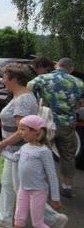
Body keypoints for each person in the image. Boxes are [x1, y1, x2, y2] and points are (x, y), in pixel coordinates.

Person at [0, 64, 67, 228]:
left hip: (19, 150)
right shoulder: (20, 96)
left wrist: (2, 144)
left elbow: (22, 131)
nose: (2, 80)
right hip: (15, 149)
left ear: (14, 79)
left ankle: (53, 218)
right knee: (8, 184)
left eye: (4, 77)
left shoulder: (23, 100)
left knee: (22, 189)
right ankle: (5, 219)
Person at [0, 115, 79, 228]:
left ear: (37, 131)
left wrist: (55, 198)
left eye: (23, 129)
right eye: (19, 129)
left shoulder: (44, 151)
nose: (20, 132)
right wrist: (0, 150)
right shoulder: (24, 147)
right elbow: (14, 158)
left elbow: (52, 176)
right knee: (19, 219)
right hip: (23, 189)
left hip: (38, 192)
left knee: (38, 224)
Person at [28, 57, 84, 198]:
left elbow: (29, 87)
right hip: (67, 125)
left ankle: (39, 184)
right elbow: (79, 105)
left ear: (57, 65)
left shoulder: (44, 78)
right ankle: (67, 186)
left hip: (46, 123)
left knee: (39, 152)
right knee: (68, 156)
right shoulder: (79, 82)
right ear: (71, 69)